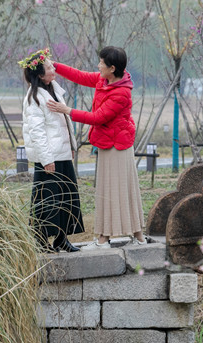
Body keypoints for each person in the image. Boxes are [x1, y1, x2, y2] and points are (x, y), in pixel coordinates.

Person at [46, 46, 147, 250]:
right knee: (114, 189)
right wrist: (54, 65)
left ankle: (105, 240)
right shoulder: (105, 80)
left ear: (112, 67)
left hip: (117, 147)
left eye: (101, 62)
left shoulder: (121, 93)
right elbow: (80, 76)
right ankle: (136, 237)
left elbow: (98, 118)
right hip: (109, 143)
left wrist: (68, 110)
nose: (98, 65)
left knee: (117, 190)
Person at [20, 48, 84, 253]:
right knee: (47, 200)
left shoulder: (54, 90)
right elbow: (36, 132)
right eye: (48, 67)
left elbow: (64, 122)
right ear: (39, 74)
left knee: (66, 197)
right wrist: (47, 159)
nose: (53, 68)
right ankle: (41, 242)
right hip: (49, 158)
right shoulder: (34, 97)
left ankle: (61, 239)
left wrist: (71, 146)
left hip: (62, 154)